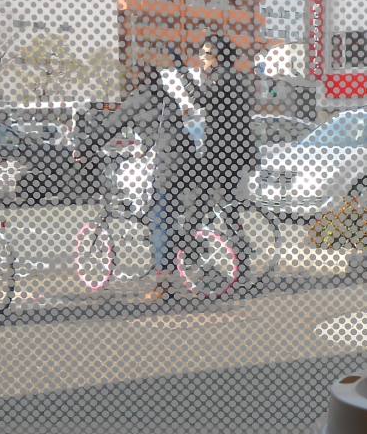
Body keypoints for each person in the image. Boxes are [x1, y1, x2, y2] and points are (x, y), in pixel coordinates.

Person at [99, 56, 189, 301]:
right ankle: (187, 252)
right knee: (171, 217)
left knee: (160, 222)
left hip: (166, 165)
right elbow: (166, 130)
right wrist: (146, 146)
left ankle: (164, 284)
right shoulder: (167, 98)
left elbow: (109, 127)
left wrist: (83, 148)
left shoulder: (137, 99)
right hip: (187, 160)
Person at [173, 35, 255, 214]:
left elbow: (199, 99)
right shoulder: (233, 75)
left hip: (221, 148)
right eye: (201, 52)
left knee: (203, 199)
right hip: (231, 148)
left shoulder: (222, 76)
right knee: (225, 203)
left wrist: (181, 68)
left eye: (207, 53)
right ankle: (233, 230)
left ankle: (191, 229)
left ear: (220, 55)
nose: (202, 57)